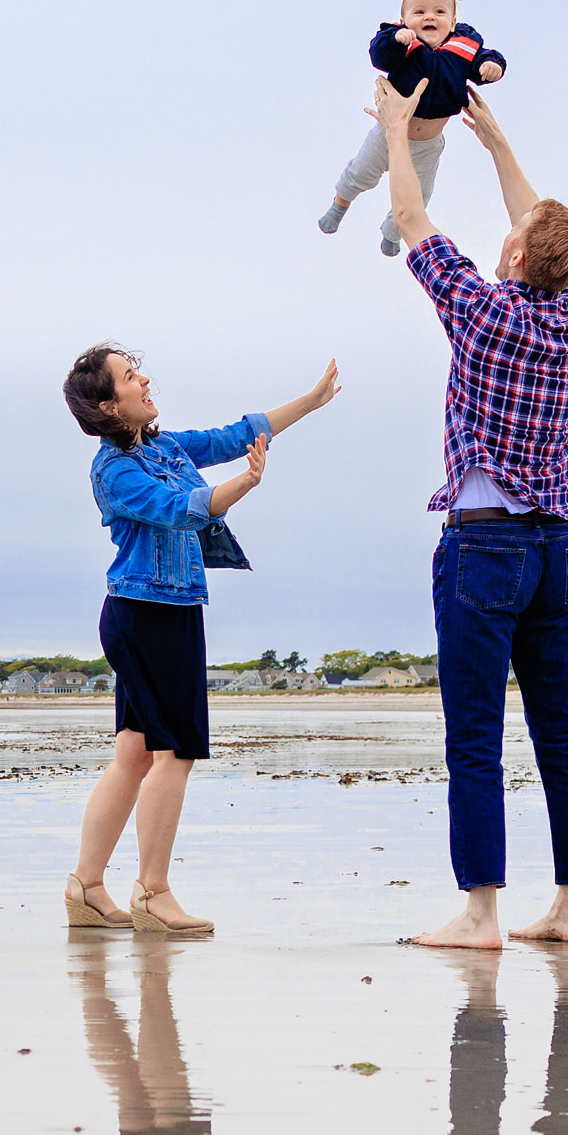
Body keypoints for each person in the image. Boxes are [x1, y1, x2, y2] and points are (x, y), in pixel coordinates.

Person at [369, 74, 568, 949]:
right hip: (557, 550)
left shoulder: (481, 310)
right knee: (561, 736)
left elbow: (413, 219)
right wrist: (498, 143)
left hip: (486, 545)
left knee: (474, 737)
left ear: (514, 257)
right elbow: (544, 232)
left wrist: (400, 133)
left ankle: (481, 915)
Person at [60, 345, 342, 934]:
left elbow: (238, 433)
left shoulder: (164, 446)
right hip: (149, 615)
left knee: (135, 754)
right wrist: (248, 482)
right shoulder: (113, 470)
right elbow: (181, 509)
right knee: (176, 752)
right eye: (130, 377)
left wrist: (312, 403)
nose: (143, 380)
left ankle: (86, 889)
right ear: (108, 405)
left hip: (158, 611)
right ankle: (153, 893)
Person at [316, 0, 506, 257]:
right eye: (419, 12)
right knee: (361, 173)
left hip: (427, 144)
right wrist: (395, 40)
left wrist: (493, 66)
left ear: (453, 22)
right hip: (389, 133)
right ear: (404, 19)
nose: (429, 17)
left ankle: (392, 231)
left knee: (418, 196)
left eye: (439, 12)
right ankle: (339, 205)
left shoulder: (465, 45)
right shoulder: (403, 40)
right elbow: (379, 56)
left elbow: (482, 60)